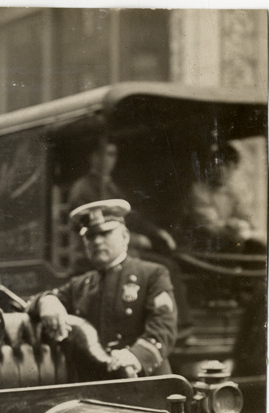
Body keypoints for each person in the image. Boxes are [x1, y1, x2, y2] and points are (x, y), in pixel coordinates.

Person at [30, 199, 177, 380]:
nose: (97, 241)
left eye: (105, 233)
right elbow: (37, 302)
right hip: (97, 384)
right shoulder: (80, 285)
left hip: (144, 381)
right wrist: (47, 301)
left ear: (125, 236)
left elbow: (164, 326)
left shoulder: (152, 274)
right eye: (91, 236)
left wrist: (135, 356)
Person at [69, 140, 191, 334]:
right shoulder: (83, 188)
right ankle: (179, 327)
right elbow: (92, 230)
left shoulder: (111, 186)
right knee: (166, 267)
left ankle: (174, 323)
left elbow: (132, 218)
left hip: (118, 248)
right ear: (93, 157)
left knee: (169, 259)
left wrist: (156, 233)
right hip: (91, 254)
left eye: (113, 154)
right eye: (104, 154)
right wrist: (135, 239)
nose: (109, 160)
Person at [182, 142, 263, 253]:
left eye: (227, 165)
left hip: (230, 242)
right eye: (218, 164)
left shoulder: (235, 191)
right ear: (210, 166)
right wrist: (235, 226)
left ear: (234, 168)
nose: (221, 169)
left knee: (259, 244)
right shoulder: (199, 191)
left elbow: (248, 218)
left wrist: (246, 226)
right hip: (203, 248)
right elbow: (209, 226)